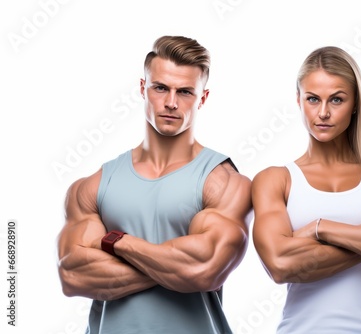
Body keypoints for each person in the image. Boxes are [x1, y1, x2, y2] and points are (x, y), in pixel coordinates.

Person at [57, 35, 252, 334]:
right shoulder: (95, 184)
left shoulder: (224, 181)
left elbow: (205, 269)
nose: (171, 103)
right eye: (160, 88)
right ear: (142, 88)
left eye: (185, 91)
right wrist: (175, 265)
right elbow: (73, 275)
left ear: (203, 98)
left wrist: (115, 242)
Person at [252, 46, 361, 333]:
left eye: (336, 99)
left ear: (355, 102)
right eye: (312, 99)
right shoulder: (275, 180)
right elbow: (280, 263)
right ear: (298, 100)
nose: (323, 112)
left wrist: (321, 228)